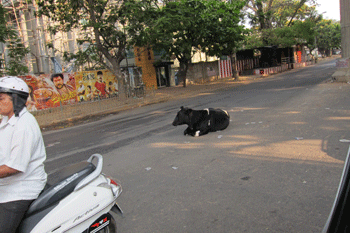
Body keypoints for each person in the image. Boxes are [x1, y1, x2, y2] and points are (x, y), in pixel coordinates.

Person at [0, 76, 47, 233]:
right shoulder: (7, 121)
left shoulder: (23, 125)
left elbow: (14, 166)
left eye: (1, 99)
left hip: (19, 191)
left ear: (16, 99)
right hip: (6, 188)